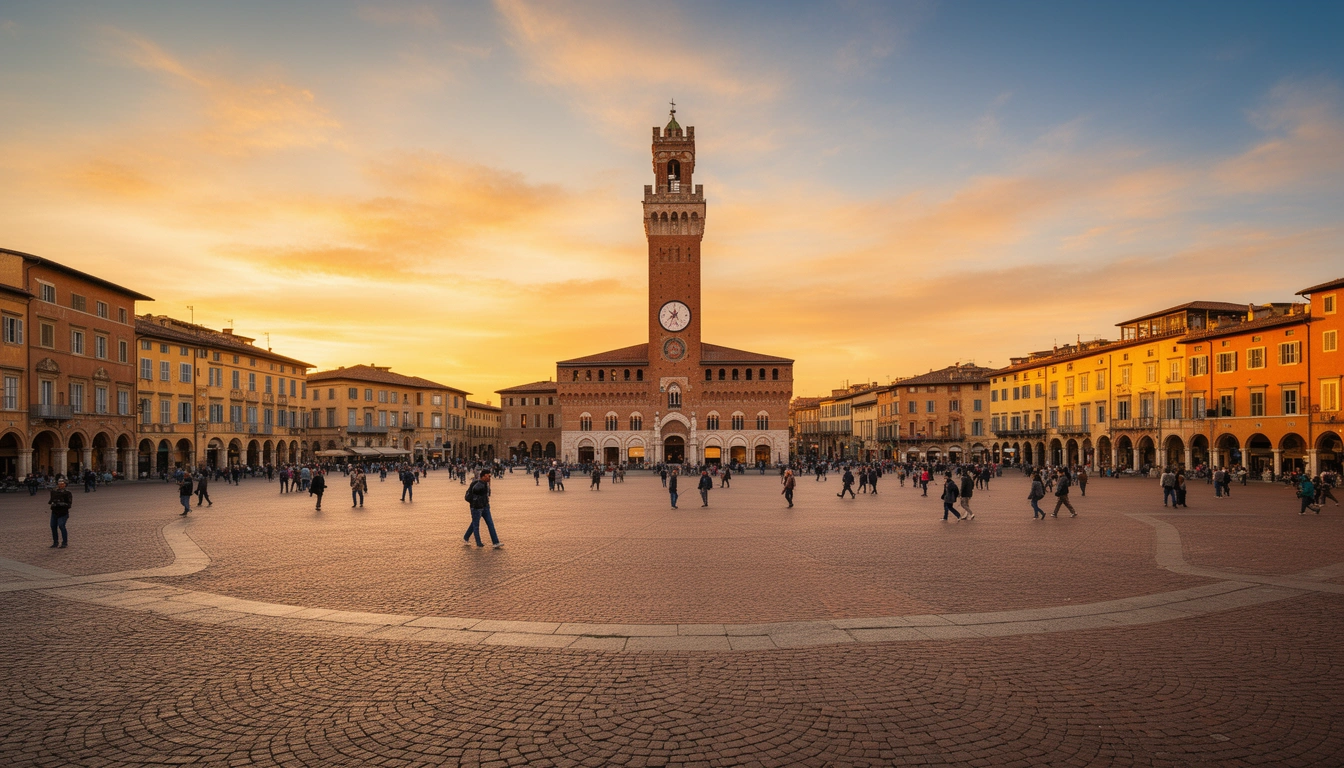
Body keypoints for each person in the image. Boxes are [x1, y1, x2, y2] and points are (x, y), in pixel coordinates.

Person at [464, 471, 501, 547]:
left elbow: (488, 494)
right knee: (476, 525)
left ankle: (495, 542)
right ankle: (478, 542)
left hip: (485, 506)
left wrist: (489, 485)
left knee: (489, 524)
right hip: (477, 507)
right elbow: (476, 494)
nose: (489, 478)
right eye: (488, 476)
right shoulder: (478, 485)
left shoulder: (485, 484)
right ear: (483, 476)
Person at [48, 479, 72, 548]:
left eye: (62, 484)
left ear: (65, 485)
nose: (60, 485)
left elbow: (69, 504)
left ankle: (64, 542)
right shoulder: (54, 492)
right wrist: (53, 503)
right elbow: (50, 501)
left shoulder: (67, 493)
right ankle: (55, 542)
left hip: (63, 512)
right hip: (54, 512)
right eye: (59, 484)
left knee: (61, 526)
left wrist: (61, 503)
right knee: (53, 526)